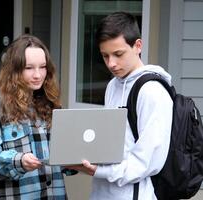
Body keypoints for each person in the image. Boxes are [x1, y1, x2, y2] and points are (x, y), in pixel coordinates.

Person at [68, 12, 173, 199]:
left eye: (118, 54)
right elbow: (113, 144)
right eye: (105, 56)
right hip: (102, 192)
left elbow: (147, 161)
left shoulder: (152, 92)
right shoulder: (113, 85)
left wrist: (99, 171)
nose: (111, 64)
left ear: (137, 46)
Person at [0, 34, 74, 199]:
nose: (38, 75)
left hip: (53, 194)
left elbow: (60, 157)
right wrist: (19, 160)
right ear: (13, 70)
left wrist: (77, 158)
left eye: (42, 67)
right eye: (29, 68)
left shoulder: (51, 105)